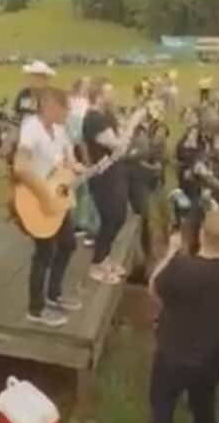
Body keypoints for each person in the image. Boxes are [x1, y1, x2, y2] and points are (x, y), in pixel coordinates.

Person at [149, 208, 219, 423]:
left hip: (174, 355)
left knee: (162, 407)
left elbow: (154, 288)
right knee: (204, 406)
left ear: (201, 233)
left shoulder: (182, 270)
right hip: (213, 353)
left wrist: (172, 251)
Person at [14, 86, 83, 327]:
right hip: (36, 200)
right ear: (50, 106)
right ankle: (36, 309)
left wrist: (77, 168)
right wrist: (44, 193)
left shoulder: (60, 130)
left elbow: (68, 159)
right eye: (65, 108)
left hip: (57, 198)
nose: (68, 113)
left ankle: (54, 294)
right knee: (44, 252)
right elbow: (21, 166)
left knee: (67, 244)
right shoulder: (31, 129)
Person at [83, 78, 133, 285]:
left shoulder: (106, 116)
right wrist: (133, 123)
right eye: (109, 92)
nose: (113, 96)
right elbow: (119, 147)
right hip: (103, 176)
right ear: (99, 96)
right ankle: (96, 264)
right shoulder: (94, 119)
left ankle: (105, 258)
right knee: (111, 218)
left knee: (119, 216)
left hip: (115, 173)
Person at [66, 78, 99, 244]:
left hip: (70, 149)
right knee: (87, 189)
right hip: (80, 149)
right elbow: (81, 135)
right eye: (86, 86)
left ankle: (75, 223)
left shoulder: (70, 103)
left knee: (76, 188)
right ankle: (86, 227)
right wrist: (86, 158)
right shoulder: (81, 105)